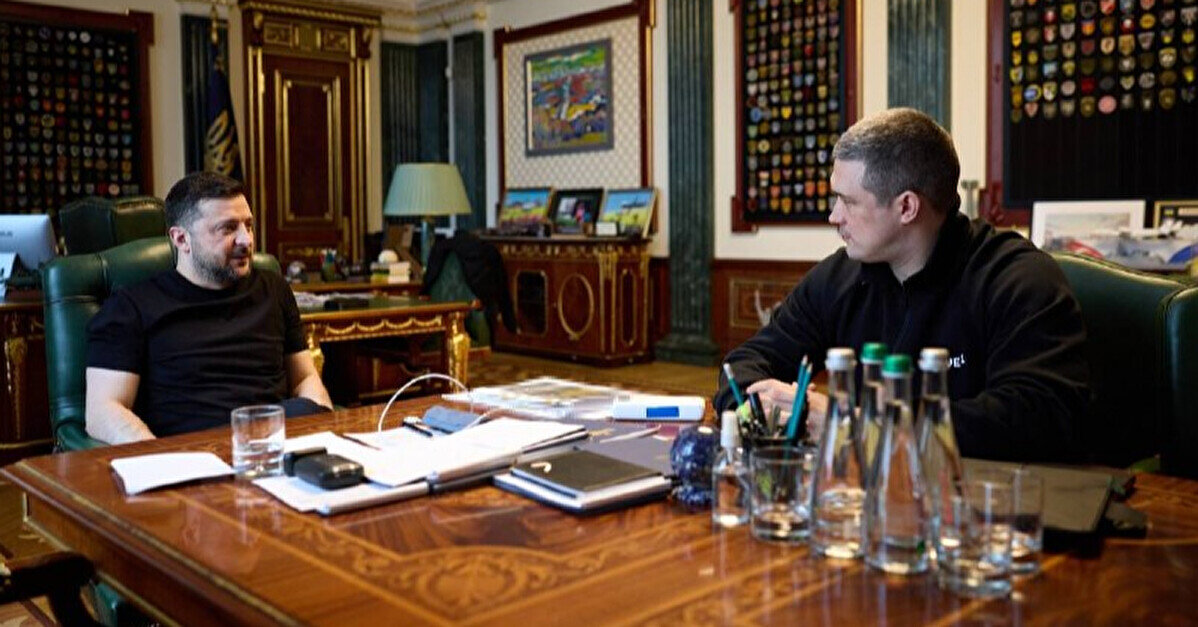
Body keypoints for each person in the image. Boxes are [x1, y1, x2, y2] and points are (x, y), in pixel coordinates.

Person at [714, 108, 1089, 463]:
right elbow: (746, 363)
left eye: (847, 201)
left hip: (978, 496)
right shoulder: (839, 277)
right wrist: (759, 411)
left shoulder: (1017, 279)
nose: (834, 216)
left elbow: (1040, 416)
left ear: (907, 207)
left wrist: (856, 426)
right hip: (862, 492)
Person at [85, 172, 333, 444]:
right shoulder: (130, 307)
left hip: (277, 446)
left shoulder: (274, 289)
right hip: (193, 451)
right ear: (181, 239)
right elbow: (103, 411)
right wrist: (159, 457)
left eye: (248, 225)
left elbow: (304, 378)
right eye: (228, 229)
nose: (246, 240)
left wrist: (322, 430)